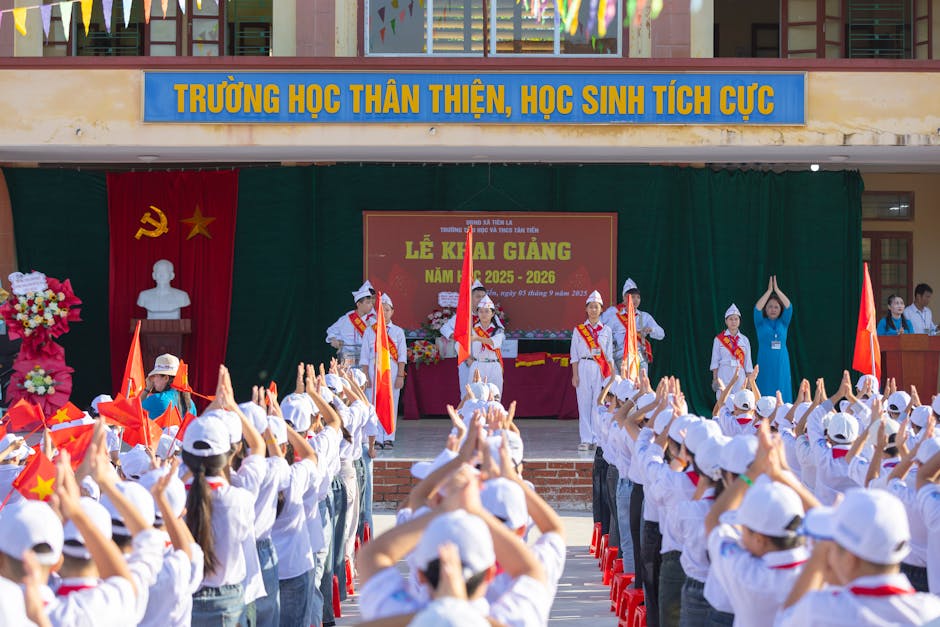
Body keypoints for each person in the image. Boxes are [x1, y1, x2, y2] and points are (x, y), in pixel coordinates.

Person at [778, 489, 940, 625]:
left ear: (850, 559)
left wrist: (818, 558)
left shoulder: (819, 610)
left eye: (831, 548)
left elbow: (786, 620)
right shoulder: (931, 611)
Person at [360, 294, 407, 448]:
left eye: (387, 310)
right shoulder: (370, 331)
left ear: (392, 312)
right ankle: (376, 437)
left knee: (391, 402)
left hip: (391, 370)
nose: (384, 313)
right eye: (381, 310)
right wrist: (365, 374)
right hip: (374, 369)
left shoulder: (398, 331)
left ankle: (388, 436)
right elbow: (365, 356)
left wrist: (400, 375)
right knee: (374, 402)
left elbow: (402, 356)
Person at [570, 290, 615, 451]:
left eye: (596, 307)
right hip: (583, 366)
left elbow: (609, 356)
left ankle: (597, 438)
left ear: (601, 309)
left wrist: (611, 376)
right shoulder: (579, 330)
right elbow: (574, 355)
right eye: (591, 307)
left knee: (599, 403)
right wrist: (575, 375)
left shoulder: (606, 331)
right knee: (584, 404)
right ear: (586, 309)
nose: (594, 310)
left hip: (600, 368)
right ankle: (585, 438)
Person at [440, 280, 497, 400]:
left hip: (486, 361)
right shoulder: (463, 316)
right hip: (467, 361)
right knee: (468, 394)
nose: (481, 299)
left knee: (488, 394)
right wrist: (456, 337)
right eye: (477, 296)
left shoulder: (492, 316)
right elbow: (444, 328)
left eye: (483, 296)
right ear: (471, 298)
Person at [602, 278, 665, 374]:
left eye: (638, 297)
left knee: (641, 386)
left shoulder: (644, 316)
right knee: (623, 387)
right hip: (620, 356)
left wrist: (651, 329)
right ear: (624, 298)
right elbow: (600, 329)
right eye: (632, 297)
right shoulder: (613, 314)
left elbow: (661, 334)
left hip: (639, 357)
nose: (635, 300)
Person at [754, 276, 794, 403]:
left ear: (780, 310)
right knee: (764, 386)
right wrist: (768, 291)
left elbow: (789, 307)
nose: (773, 309)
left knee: (782, 387)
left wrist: (776, 290)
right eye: (770, 306)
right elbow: (757, 309)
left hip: (782, 361)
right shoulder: (760, 322)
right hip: (765, 360)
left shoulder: (784, 322)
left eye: (776, 307)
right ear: (766, 309)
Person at [325, 281, 376, 366]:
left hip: (367, 361)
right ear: (358, 304)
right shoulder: (347, 319)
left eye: (371, 302)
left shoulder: (374, 320)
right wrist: (334, 340)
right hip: (348, 360)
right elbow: (331, 331)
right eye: (367, 303)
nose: (371, 305)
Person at [710, 304, 753, 397]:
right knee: (723, 400)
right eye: (730, 319)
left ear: (739, 321)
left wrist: (749, 382)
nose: (733, 322)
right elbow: (715, 361)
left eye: (736, 319)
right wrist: (715, 379)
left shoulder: (744, 340)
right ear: (726, 321)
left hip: (740, 373)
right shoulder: (719, 339)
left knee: (739, 400)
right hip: (724, 373)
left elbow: (748, 363)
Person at [467, 295, 505, 398]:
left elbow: (494, 343)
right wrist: (467, 358)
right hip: (477, 364)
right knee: (474, 397)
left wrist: (477, 338)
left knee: (494, 397)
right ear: (477, 313)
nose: (483, 314)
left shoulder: (498, 330)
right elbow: (461, 345)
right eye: (481, 311)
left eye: (487, 311)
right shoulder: (472, 329)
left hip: (494, 366)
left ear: (492, 313)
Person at [140, 353, 197, 419]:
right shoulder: (191, 403)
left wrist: (147, 389)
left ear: (166, 378)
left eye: (155, 376)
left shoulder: (157, 399)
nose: (153, 380)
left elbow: (134, 413)